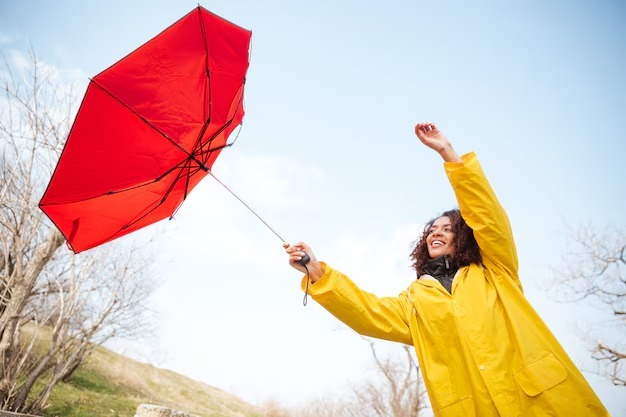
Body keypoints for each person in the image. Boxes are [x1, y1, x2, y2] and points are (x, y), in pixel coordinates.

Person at [284, 123, 609, 417]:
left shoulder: (495, 270)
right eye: (431, 229)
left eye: (447, 228)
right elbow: (365, 312)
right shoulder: (415, 301)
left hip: (545, 403)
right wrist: (315, 270)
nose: (436, 232)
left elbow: (488, 217)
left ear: (464, 235)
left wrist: (447, 153)